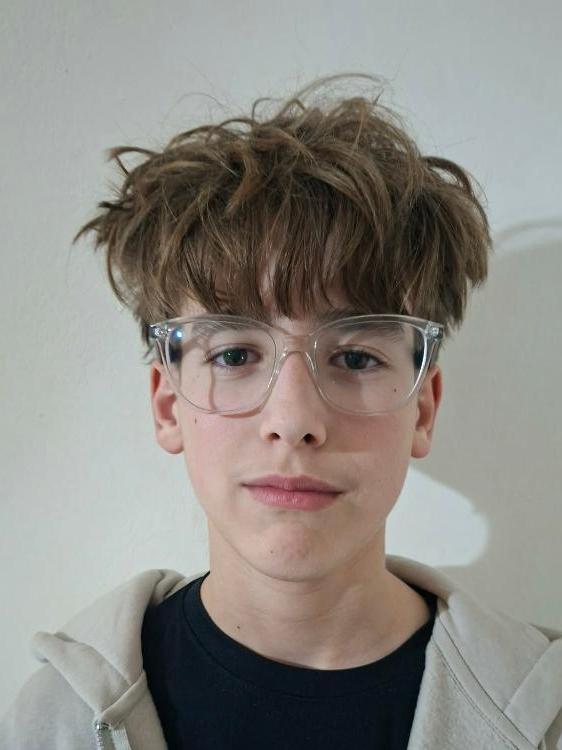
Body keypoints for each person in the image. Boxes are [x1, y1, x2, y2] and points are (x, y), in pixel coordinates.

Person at [1, 74, 561, 750]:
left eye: (356, 358)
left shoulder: (547, 714)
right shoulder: (51, 722)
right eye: (235, 355)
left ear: (423, 408)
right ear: (166, 404)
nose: (293, 420)